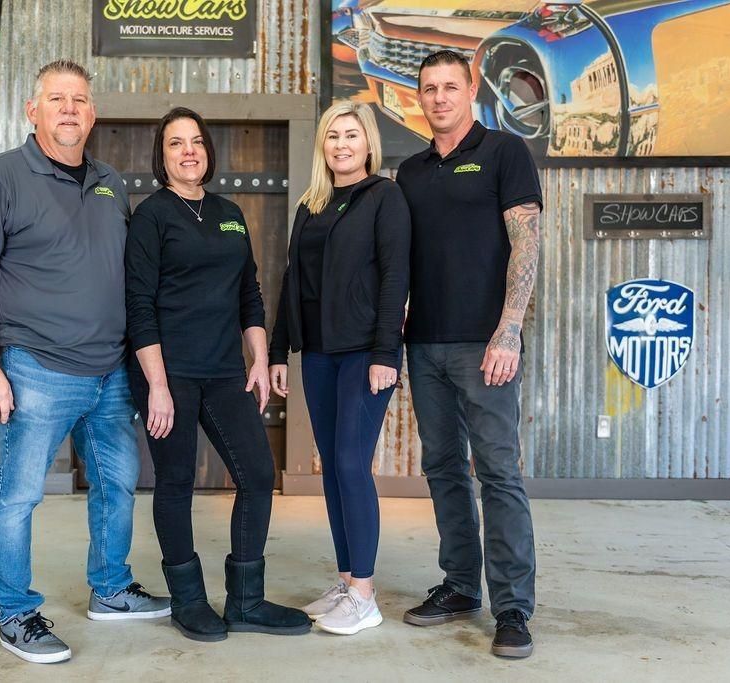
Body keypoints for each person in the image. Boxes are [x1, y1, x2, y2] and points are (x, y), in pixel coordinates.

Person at [0, 58, 169, 665]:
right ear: (33, 110)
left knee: (118, 485)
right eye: (56, 99)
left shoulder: (109, 181)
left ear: (92, 114)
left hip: (110, 371)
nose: (69, 109)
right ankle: (17, 613)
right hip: (35, 367)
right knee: (19, 495)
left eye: (79, 100)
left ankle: (111, 589)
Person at [125, 106, 312, 643]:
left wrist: (257, 359)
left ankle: (246, 601)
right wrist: (157, 387)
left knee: (256, 475)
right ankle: (188, 599)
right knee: (177, 481)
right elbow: (139, 306)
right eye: (176, 143)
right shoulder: (151, 216)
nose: (189, 151)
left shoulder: (230, 212)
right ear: (160, 158)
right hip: (169, 373)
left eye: (196, 142)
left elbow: (248, 295)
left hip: (224, 370)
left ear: (208, 151)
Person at [396, 50, 542, 659]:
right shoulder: (410, 171)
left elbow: (526, 244)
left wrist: (508, 330)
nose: (438, 98)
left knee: (499, 474)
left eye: (449, 87)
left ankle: (511, 607)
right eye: (428, 89)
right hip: (424, 345)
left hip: (486, 346)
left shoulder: (505, 153)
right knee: (443, 470)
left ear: (470, 88)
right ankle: (460, 585)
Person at [268, 101, 411, 635]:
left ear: (368, 143)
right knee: (333, 464)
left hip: (363, 355)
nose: (341, 144)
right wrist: (281, 350)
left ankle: (366, 595)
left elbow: (396, 277)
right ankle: (348, 577)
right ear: (323, 146)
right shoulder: (311, 205)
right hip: (320, 354)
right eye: (332, 136)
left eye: (351, 135)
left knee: (351, 462)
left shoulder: (385, 197)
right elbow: (291, 282)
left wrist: (384, 353)